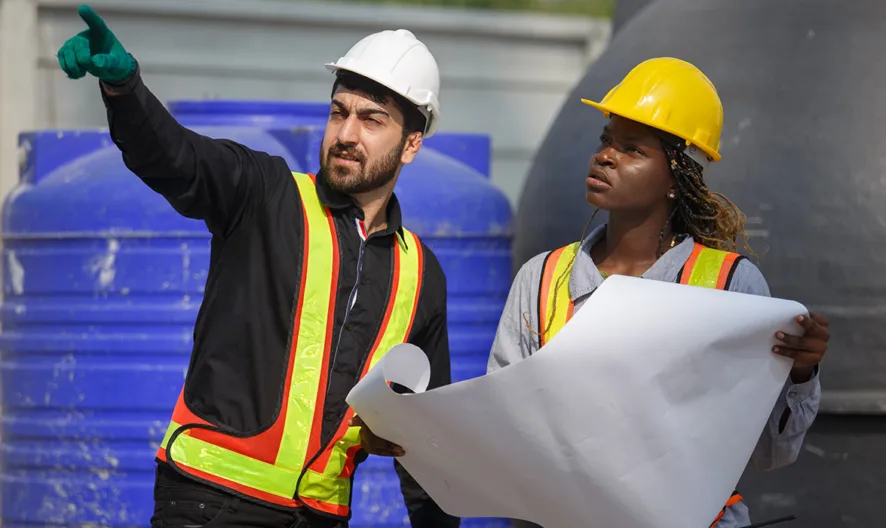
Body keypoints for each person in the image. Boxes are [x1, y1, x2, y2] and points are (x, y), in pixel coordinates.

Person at [57, 5, 460, 528]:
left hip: (319, 516)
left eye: (372, 119)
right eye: (339, 112)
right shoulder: (264, 193)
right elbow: (175, 156)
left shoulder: (422, 275)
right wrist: (124, 88)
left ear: (411, 144)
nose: (346, 133)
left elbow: (424, 436)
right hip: (208, 502)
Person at [487, 57, 830, 528]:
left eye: (632, 149)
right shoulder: (542, 279)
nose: (605, 156)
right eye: (607, 140)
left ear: (677, 178)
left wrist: (801, 375)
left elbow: (770, 452)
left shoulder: (731, 287)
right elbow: (504, 428)